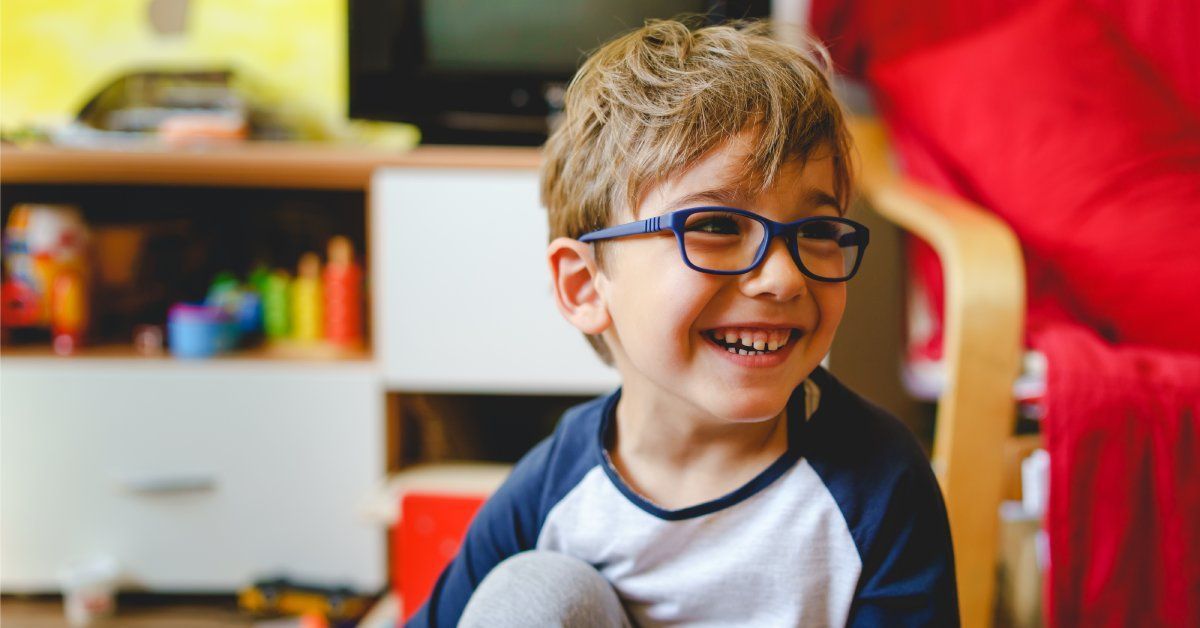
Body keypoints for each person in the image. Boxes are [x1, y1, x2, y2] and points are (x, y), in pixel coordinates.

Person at [408, 18, 958, 627]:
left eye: (818, 231)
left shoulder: (880, 486)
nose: (783, 278)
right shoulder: (552, 490)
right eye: (718, 226)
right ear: (585, 284)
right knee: (538, 592)